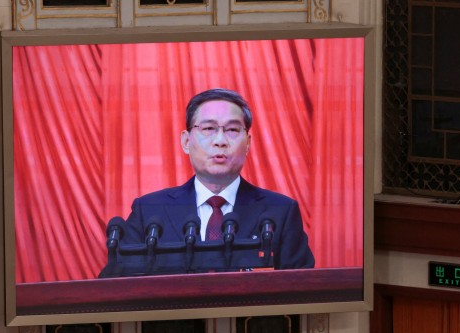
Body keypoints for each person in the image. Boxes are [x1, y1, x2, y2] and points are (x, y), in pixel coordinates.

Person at [100, 88, 314, 278]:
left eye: (232, 130)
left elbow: (302, 289)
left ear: (248, 143)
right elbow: (113, 286)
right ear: (186, 141)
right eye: (208, 129)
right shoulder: (149, 211)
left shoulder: (280, 212)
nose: (220, 140)